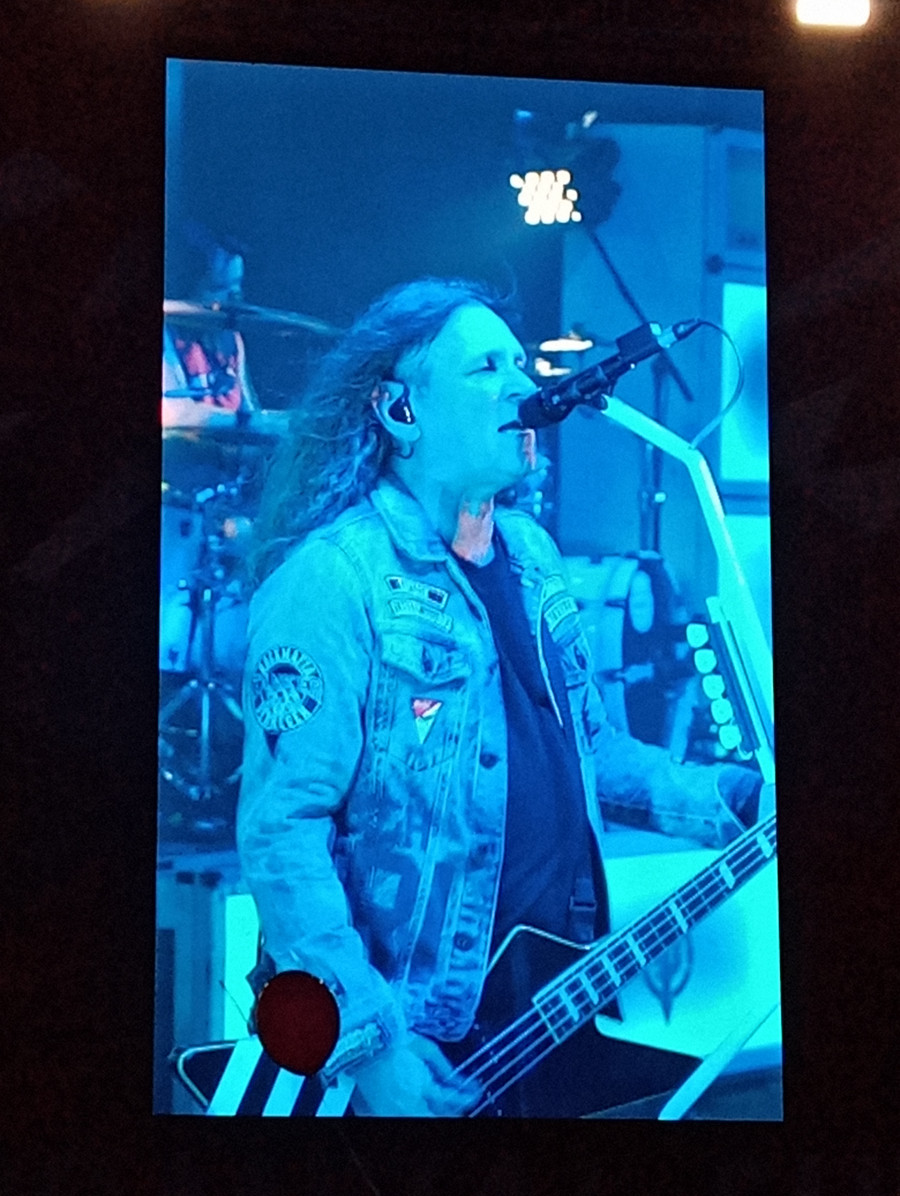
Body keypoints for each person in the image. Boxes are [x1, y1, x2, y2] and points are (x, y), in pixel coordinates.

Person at [237, 278, 761, 1117]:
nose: (523, 385)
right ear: (400, 410)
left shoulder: (532, 554)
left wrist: (738, 796)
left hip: (542, 1001)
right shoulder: (333, 579)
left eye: (519, 363)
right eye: (486, 368)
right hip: (417, 1029)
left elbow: (590, 750)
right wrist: (369, 1045)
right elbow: (283, 831)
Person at [162, 230, 259, 416]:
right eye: (219, 288)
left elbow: (251, 410)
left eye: (237, 286)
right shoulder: (167, 336)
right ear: (189, 287)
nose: (234, 298)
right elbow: (176, 415)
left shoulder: (231, 337)